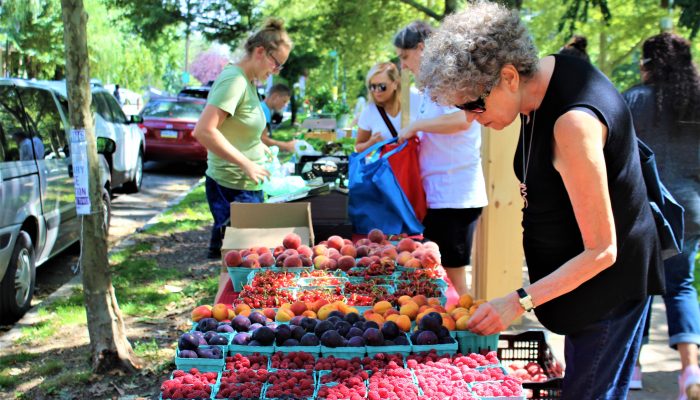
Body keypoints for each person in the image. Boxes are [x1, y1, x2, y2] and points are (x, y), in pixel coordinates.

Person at [419, 3, 664, 398]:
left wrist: (518, 301)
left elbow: (602, 249)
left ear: (509, 76)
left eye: (473, 105)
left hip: (608, 292)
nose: (470, 118)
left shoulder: (572, 123)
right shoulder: (541, 85)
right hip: (580, 289)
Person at [622, 32, 700, 399]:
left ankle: (632, 368)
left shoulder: (632, 101)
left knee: (638, 288)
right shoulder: (696, 103)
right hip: (690, 208)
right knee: (681, 286)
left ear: (648, 64)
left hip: (645, 209)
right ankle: (690, 371)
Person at [193, 18, 292, 302]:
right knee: (240, 264)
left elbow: (241, 131)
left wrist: (260, 152)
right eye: (276, 63)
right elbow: (204, 131)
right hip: (231, 186)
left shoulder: (247, 81)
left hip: (245, 185)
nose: (276, 71)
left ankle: (234, 318)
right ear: (260, 52)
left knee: (244, 265)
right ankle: (225, 324)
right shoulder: (233, 80)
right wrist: (245, 163)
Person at [393, 20, 487, 296]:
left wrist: (417, 127)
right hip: (437, 197)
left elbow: (463, 119)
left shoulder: (454, 79)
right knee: (435, 275)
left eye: (405, 57)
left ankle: (467, 336)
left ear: (422, 48)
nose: (404, 65)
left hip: (456, 197)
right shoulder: (430, 87)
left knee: (455, 279)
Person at [354, 62, 420, 152]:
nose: (376, 91)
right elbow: (358, 147)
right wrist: (372, 142)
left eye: (382, 86)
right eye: (372, 86)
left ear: (395, 84)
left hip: (418, 163)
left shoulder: (416, 98)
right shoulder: (369, 111)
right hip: (387, 165)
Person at [260, 83, 296, 152]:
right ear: (274, 96)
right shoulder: (263, 110)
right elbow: (263, 139)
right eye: (284, 101)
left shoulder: (266, 109)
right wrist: (287, 146)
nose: (285, 105)